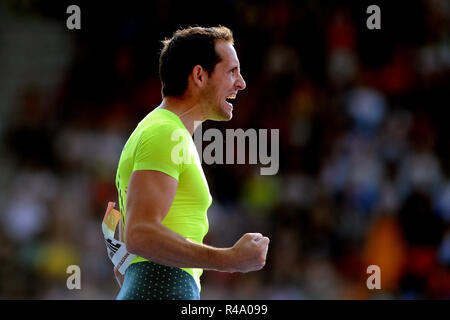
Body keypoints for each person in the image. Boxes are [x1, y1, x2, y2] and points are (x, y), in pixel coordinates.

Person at [114, 26, 270, 300]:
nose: (241, 83)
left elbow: (121, 246)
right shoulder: (164, 132)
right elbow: (139, 234)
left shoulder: (161, 131)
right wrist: (229, 259)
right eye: (232, 71)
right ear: (199, 75)